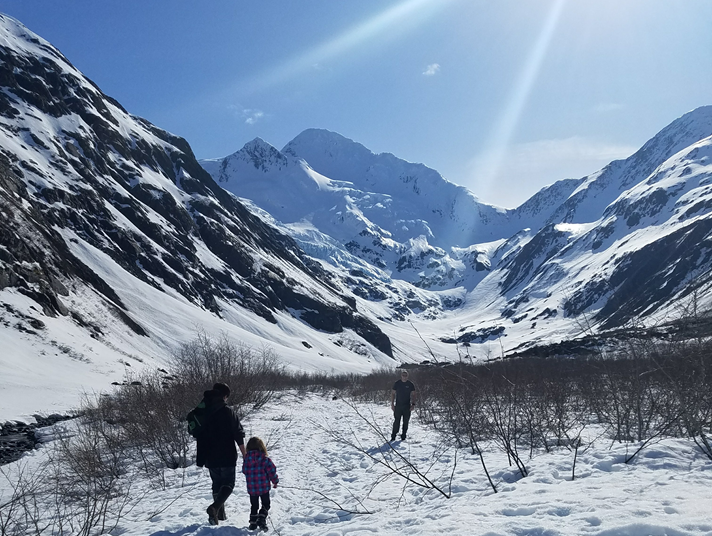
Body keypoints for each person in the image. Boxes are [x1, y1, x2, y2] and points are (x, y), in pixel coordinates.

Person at [195, 382, 247, 526]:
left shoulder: (204, 411)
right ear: (224, 396)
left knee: (217, 484)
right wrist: (245, 454)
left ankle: (220, 516)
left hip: (209, 456)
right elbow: (238, 434)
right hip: (227, 455)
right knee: (228, 483)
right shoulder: (227, 412)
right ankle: (215, 508)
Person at [242, 436, 279, 531]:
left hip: (252, 488)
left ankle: (253, 523)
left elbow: (244, 471)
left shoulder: (246, 460)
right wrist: (275, 481)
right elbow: (272, 472)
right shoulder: (265, 460)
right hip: (263, 488)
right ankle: (261, 519)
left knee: (254, 505)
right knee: (266, 504)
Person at [390, 369, 417, 441]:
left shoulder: (410, 384)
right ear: (401, 376)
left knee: (406, 421)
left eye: (406, 375)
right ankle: (393, 436)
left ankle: (403, 435)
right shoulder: (397, 383)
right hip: (398, 406)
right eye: (403, 375)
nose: (404, 377)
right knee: (396, 421)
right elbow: (393, 393)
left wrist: (413, 404)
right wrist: (392, 404)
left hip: (407, 406)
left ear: (407, 376)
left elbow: (414, 394)